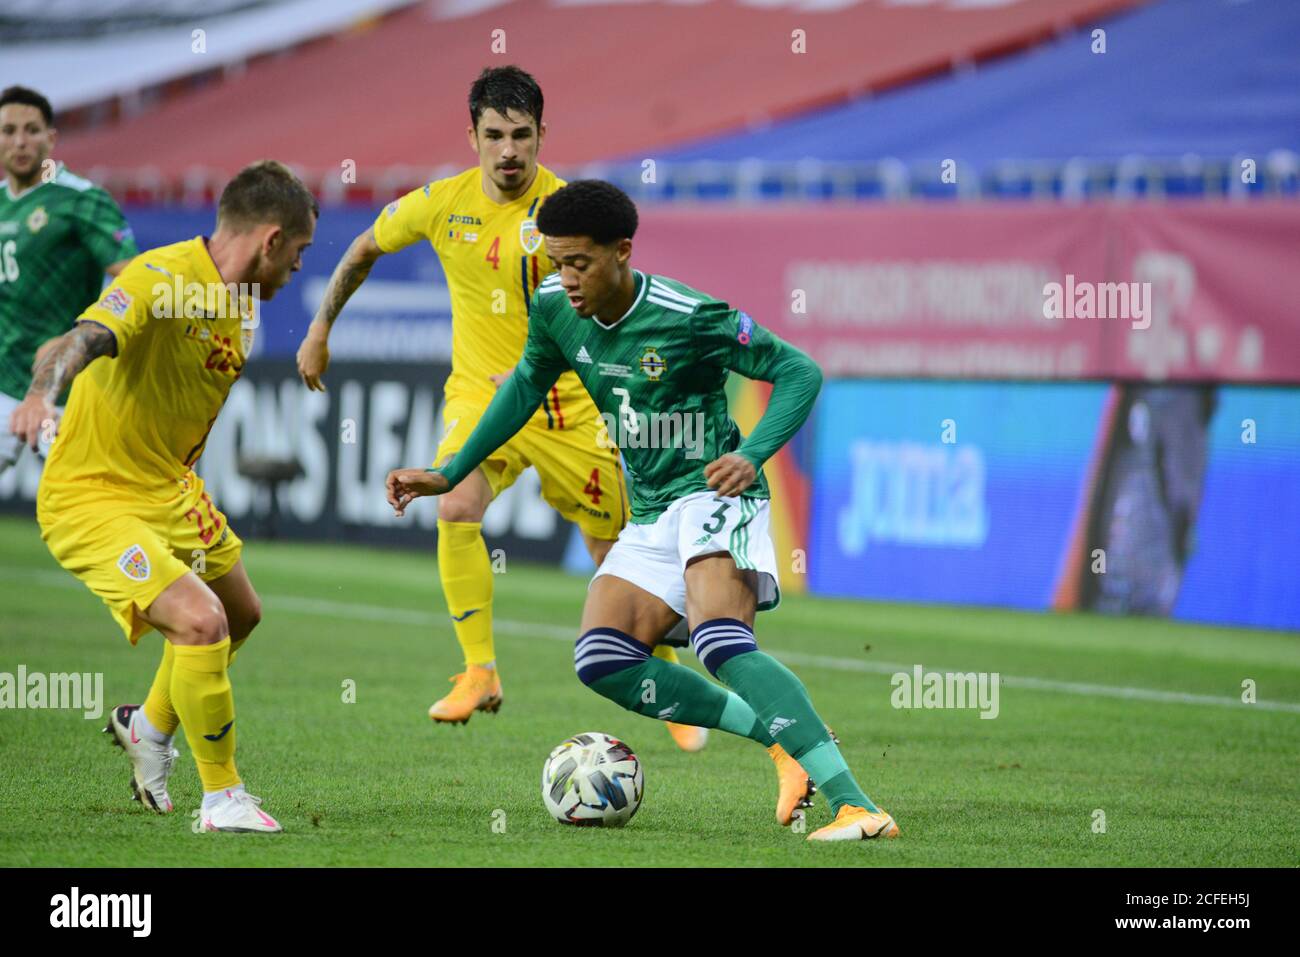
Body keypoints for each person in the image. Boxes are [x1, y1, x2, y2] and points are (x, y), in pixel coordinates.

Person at [385, 181, 898, 839]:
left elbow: (799, 371)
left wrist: (755, 453)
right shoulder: (553, 307)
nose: (566, 277)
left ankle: (856, 804)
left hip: (716, 492)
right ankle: (784, 740)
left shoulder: (689, 316)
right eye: (556, 260)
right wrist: (449, 470)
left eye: (581, 263)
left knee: (719, 642)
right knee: (603, 658)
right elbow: (523, 387)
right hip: (653, 509)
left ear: (622, 251)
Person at [296, 66, 706, 751]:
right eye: (494, 135)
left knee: (615, 550)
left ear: (543, 134)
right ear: (473, 136)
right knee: (454, 503)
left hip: (573, 408)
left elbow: (616, 304)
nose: (509, 150)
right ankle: (478, 669)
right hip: (482, 397)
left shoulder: (571, 216)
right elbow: (365, 247)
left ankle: (664, 678)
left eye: (522, 135)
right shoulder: (439, 203)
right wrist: (318, 328)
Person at [9, 160, 317, 833]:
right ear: (270, 241)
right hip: (91, 492)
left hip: (168, 486)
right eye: (297, 255)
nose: (297, 271)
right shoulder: (159, 277)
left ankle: (145, 726)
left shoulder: (239, 306)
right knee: (201, 622)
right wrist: (41, 393)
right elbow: (81, 339)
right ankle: (222, 796)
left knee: (240, 613)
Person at [0, 85, 137, 475]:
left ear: (51, 138)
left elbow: (133, 278)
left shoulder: (80, 199)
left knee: (90, 502)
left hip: (63, 389)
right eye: (8, 131)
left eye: (31, 130)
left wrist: (75, 339)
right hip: (4, 382)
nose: (20, 141)